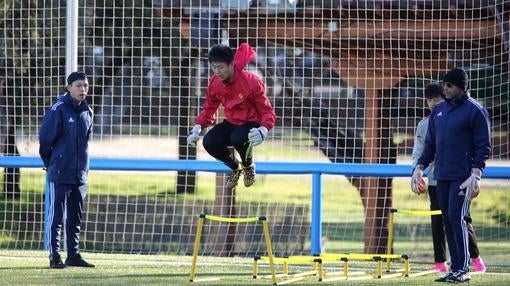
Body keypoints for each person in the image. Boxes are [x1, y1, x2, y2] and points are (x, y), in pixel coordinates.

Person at [412, 68, 491, 283]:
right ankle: (455, 268)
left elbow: (483, 145)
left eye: (449, 85)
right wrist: (420, 167)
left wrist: (477, 172)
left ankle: (462, 269)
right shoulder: (439, 112)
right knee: (447, 219)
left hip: (463, 176)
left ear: (462, 87)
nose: (445, 89)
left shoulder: (475, 111)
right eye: (444, 85)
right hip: (442, 175)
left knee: (457, 217)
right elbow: (430, 145)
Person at [187, 43, 276, 188]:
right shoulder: (215, 83)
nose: (217, 71)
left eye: (220, 67)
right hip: (231, 123)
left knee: (238, 138)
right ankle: (235, 167)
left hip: (251, 123)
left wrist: (263, 130)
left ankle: (248, 166)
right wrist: (197, 127)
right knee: (209, 142)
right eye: (213, 67)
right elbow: (209, 107)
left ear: (231, 64)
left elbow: (267, 111)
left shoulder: (252, 82)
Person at [39, 71, 95, 269]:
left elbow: (85, 143)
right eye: (79, 85)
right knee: (56, 217)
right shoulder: (58, 109)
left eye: (86, 85)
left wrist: (83, 168)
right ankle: (54, 256)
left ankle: (73, 254)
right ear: (69, 87)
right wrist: (52, 163)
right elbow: (45, 140)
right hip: (60, 173)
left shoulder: (88, 112)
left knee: (75, 217)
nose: (83, 89)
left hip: (79, 175)